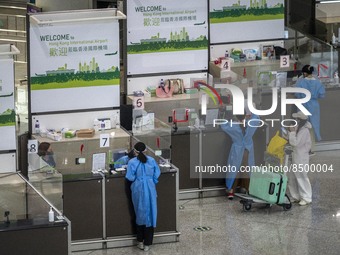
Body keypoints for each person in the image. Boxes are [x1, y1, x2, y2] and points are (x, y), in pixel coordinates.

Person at [125, 142, 161, 251]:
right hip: (150, 188)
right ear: (146, 150)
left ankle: (140, 241)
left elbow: (130, 177)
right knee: (151, 214)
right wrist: (151, 180)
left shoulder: (132, 162)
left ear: (135, 152)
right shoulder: (151, 160)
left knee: (139, 214)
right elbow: (157, 174)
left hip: (138, 189)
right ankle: (148, 244)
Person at [220, 104, 261, 200]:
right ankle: (248, 189)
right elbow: (257, 117)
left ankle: (231, 190)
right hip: (247, 150)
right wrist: (251, 110)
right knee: (247, 170)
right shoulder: (251, 124)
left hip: (237, 151)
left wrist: (225, 113)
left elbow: (222, 125)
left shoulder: (233, 126)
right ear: (246, 115)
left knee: (234, 170)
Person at [295, 64, 325, 154]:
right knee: (313, 127)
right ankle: (311, 149)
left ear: (304, 73)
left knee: (303, 127)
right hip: (314, 105)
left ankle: (303, 148)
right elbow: (322, 95)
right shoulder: (318, 82)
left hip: (303, 104)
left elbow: (297, 94)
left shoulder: (300, 82)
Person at [287, 111, 313, 206]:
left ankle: (306, 197)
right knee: (292, 177)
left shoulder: (304, 131)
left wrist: (292, 132)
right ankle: (296, 196)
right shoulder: (299, 128)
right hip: (296, 156)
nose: (295, 120)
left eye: (297, 119)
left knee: (301, 176)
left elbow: (295, 143)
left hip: (301, 157)